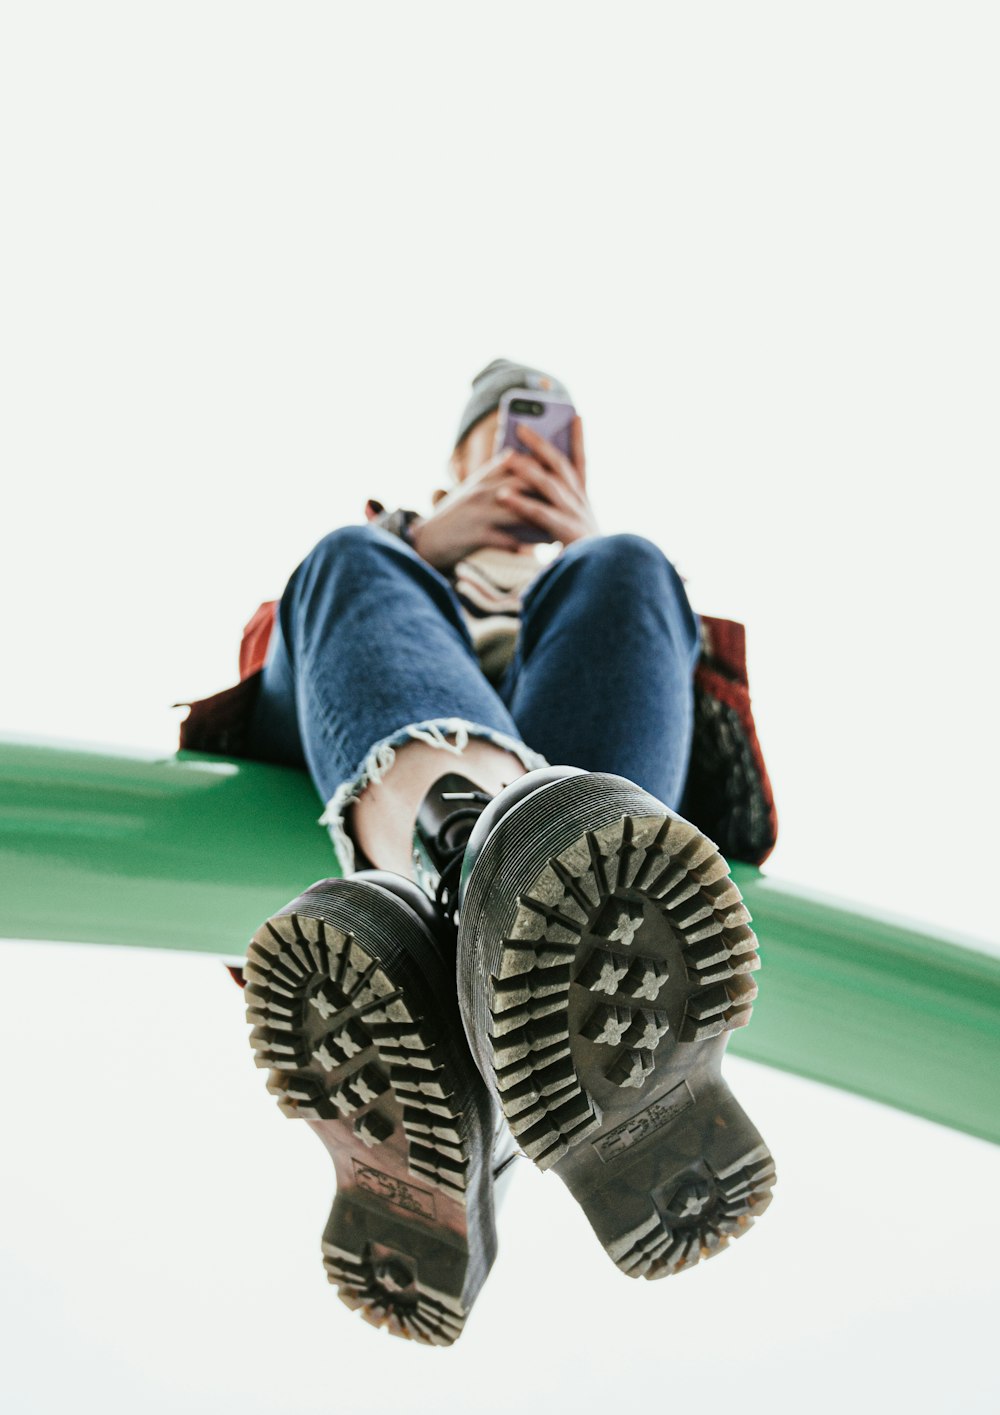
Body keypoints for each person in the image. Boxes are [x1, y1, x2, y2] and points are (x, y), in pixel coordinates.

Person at [175, 358, 779, 1347]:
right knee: (348, 560)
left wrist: (581, 545)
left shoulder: (586, 575)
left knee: (628, 567)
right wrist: (424, 538)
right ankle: (479, 902)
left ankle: (471, 1025)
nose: (532, 456)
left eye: (556, 441)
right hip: (361, 730)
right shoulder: (404, 556)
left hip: (578, 792)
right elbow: (337, 606)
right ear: (463, 453)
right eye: (508, 435)